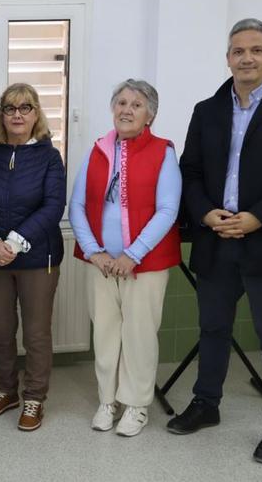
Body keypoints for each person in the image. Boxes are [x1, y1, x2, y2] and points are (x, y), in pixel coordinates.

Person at [170, 18, 262, 464]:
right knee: (213, 328)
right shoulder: (206, 109)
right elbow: (189, 172)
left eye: (256, 50)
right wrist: (205, 212)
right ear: (227, 57)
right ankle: (207, 404)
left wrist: (256, 218)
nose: (247, 58)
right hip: (215, 238)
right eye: (239, 51)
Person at [69, 79, 181, 437]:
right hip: (101, 264)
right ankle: (108, 400)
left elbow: (167, 210)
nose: (126, 110)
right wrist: (94, 252)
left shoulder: (163, 151)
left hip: (144, 265)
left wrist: (133, 254)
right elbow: (78, 206)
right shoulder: (98, 150)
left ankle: (136, 405)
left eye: (136, 104)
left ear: (150, 114)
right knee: (104, 333)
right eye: (120, 102)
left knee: (139, 335)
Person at [0, 83, 66, 431]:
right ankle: (6, 391)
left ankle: (34, 398)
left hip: (37, 259)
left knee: (37, 334)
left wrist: (14, 241)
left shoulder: (49, 156)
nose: (17, 115)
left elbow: (53, 206)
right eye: (10, 108)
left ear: (36, 114)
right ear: (2, 115)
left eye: (25, 108)